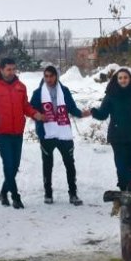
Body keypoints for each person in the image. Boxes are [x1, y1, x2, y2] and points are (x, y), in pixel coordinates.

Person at [0, 58, 44, 208]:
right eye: (8, 69)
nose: (11, 72)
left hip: (17, 131)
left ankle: (3, 193)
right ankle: (15, 196)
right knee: (8, 164)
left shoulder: (20, 87)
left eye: (13, 69)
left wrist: (35, 114)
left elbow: (25, 106)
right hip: (2, 132)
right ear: (1, 70)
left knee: (14, 166)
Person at [30, 65, 90, 205]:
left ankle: (73, 194)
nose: (49, 79)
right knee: (47, 164)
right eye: (46, 76)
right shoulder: (38, 93)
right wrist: (37, 115)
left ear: (56, 76)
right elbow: (31, 109)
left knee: (69, 164)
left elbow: (72, 108)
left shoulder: (64, 91)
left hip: (63, 133)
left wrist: (82, 114)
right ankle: (48, 193)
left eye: (51, 76)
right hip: (47, 133)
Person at [90, 68, 131, 193]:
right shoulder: (111, 95)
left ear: (130, 79)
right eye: (120, 78)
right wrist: (94, 112)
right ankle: (123, 188)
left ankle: (129, 188)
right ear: (116, 80)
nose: (123, 80)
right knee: (121, 164)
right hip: (117, 135)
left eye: (125, 77)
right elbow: (103, 114)